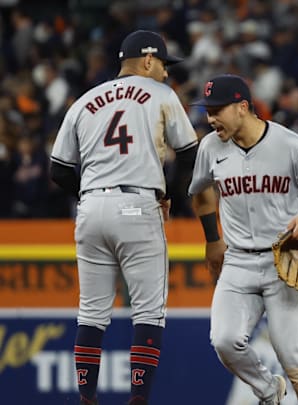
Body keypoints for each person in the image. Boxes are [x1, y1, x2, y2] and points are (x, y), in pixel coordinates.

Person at [49, 30, 199, 405]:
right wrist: (170, 196)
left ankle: (86, 396)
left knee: (91, 312)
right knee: (148, 311)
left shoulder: (82, 101)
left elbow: (58, 170)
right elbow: (190, 154)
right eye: (164, 64)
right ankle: (138, 399)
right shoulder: (162, 94)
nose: (166, 73)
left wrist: (94, 193)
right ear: (148, 60)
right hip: (137, 206)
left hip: (90, 207)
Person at [188, 74, 298, 405]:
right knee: (224, 341)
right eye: (208, 110)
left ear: (242, 107)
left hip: (283, 259)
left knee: (292, 356)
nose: (210, 118)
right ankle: (269, 390)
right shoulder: (210, 147)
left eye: (217, 110)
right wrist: (213, 239)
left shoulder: (290, 144)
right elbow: (201, 193)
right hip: (237, 259)